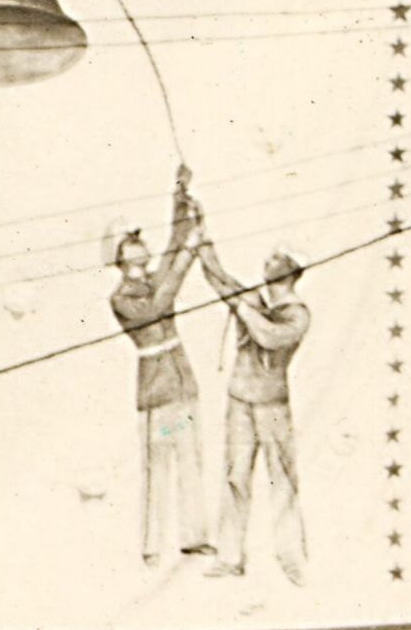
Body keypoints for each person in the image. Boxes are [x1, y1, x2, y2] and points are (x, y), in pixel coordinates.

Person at [107, 164, 213, 568]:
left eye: (137, 238)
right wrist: (189, 254)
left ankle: (194, 537)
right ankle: (153, 546)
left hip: (181, 380)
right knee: (159, 465)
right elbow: (159, 304)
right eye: (129, 241)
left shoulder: (152, 277)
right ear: (119, 257)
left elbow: (171, 248)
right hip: (157, 387)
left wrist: (181, 199)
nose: (139, 243)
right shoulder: (123, 297)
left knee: (189, 457)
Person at [197, 224, 311, 581]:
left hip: (272, 405)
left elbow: (269, 337)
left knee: (283, 479)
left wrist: (242, 308)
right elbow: (221, 281)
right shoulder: (254, 301)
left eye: (277, 257)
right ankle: (231, 557)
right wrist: (203, 241)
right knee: (235, 477)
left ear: (291, 269)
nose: (268, 261)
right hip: (240, 401)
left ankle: (291, 556)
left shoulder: (297, 314)